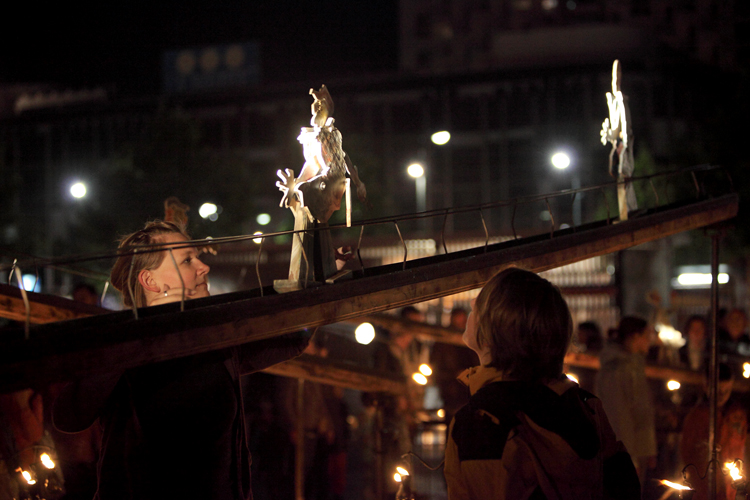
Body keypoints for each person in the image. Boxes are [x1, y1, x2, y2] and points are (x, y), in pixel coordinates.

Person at [52, 220, 311, 500]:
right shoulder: (123, 346)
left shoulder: (214, 341)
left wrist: (323, 271)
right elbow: (68, 416)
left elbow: (294, 337)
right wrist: (141, 331)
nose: (204, 267)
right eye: (187, 260)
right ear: (150, 281)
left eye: (197, 257)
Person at [444, 267, 640, 500]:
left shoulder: (483, 423)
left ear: (494, 331)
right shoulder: (583, 406)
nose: (472, 302)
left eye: (482, 303)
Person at [596, 316, 657, 483]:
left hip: (636, 449)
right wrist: (629, 458)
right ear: (636, 337)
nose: (650, 341)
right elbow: (619, 417)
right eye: (647, 335)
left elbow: (641, 410)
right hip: (625, 452)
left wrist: (648, 449)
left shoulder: (634, 366)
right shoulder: (617, 370)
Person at [681, 363, 747, 500]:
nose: (721, 395)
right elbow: (687, 455)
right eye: (718, 390)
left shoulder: (738, 416)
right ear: (706, 386)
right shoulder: (696, 418)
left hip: (731, 490)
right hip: (704, 490)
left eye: (726, 391)